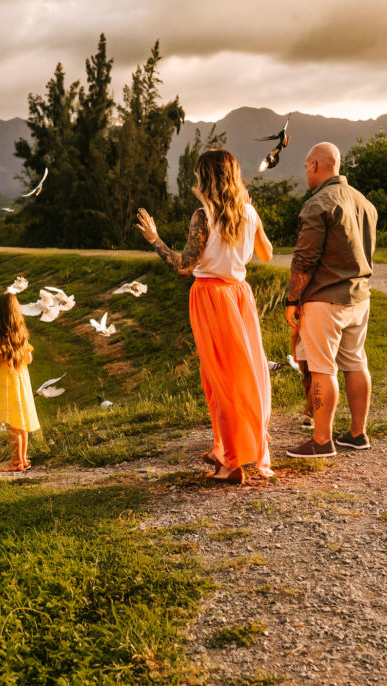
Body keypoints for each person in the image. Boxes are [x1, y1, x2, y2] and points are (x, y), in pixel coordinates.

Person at [136, 148, 275, 483]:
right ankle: (226, 448)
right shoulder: (249, 212)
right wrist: (251, 222)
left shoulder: (203, 216)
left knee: (220, 379)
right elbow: (267, 254)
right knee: (243, 374)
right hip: (240, 296)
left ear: (207, 178)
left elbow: (183, 266)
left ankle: (230, 463)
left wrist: (155, 239)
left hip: (211, 298)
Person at [284, 142, 377, 458]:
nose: (305, 172)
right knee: (356, 362)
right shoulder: (364, 202)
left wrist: (292, 299)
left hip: (325, 300)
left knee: (323, 369)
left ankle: (322, 440)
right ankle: (358, 434)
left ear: (314, 165)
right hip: (359, 297)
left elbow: (304, 258)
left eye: (305, 167)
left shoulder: (317, 204)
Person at [0, 292, 40, 472]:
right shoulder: (21, 334)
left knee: (12, 424)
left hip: (6, 384)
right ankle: (23, 459)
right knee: (21, 423)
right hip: (20, 382)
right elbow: (28, 359)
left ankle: (16, 462)